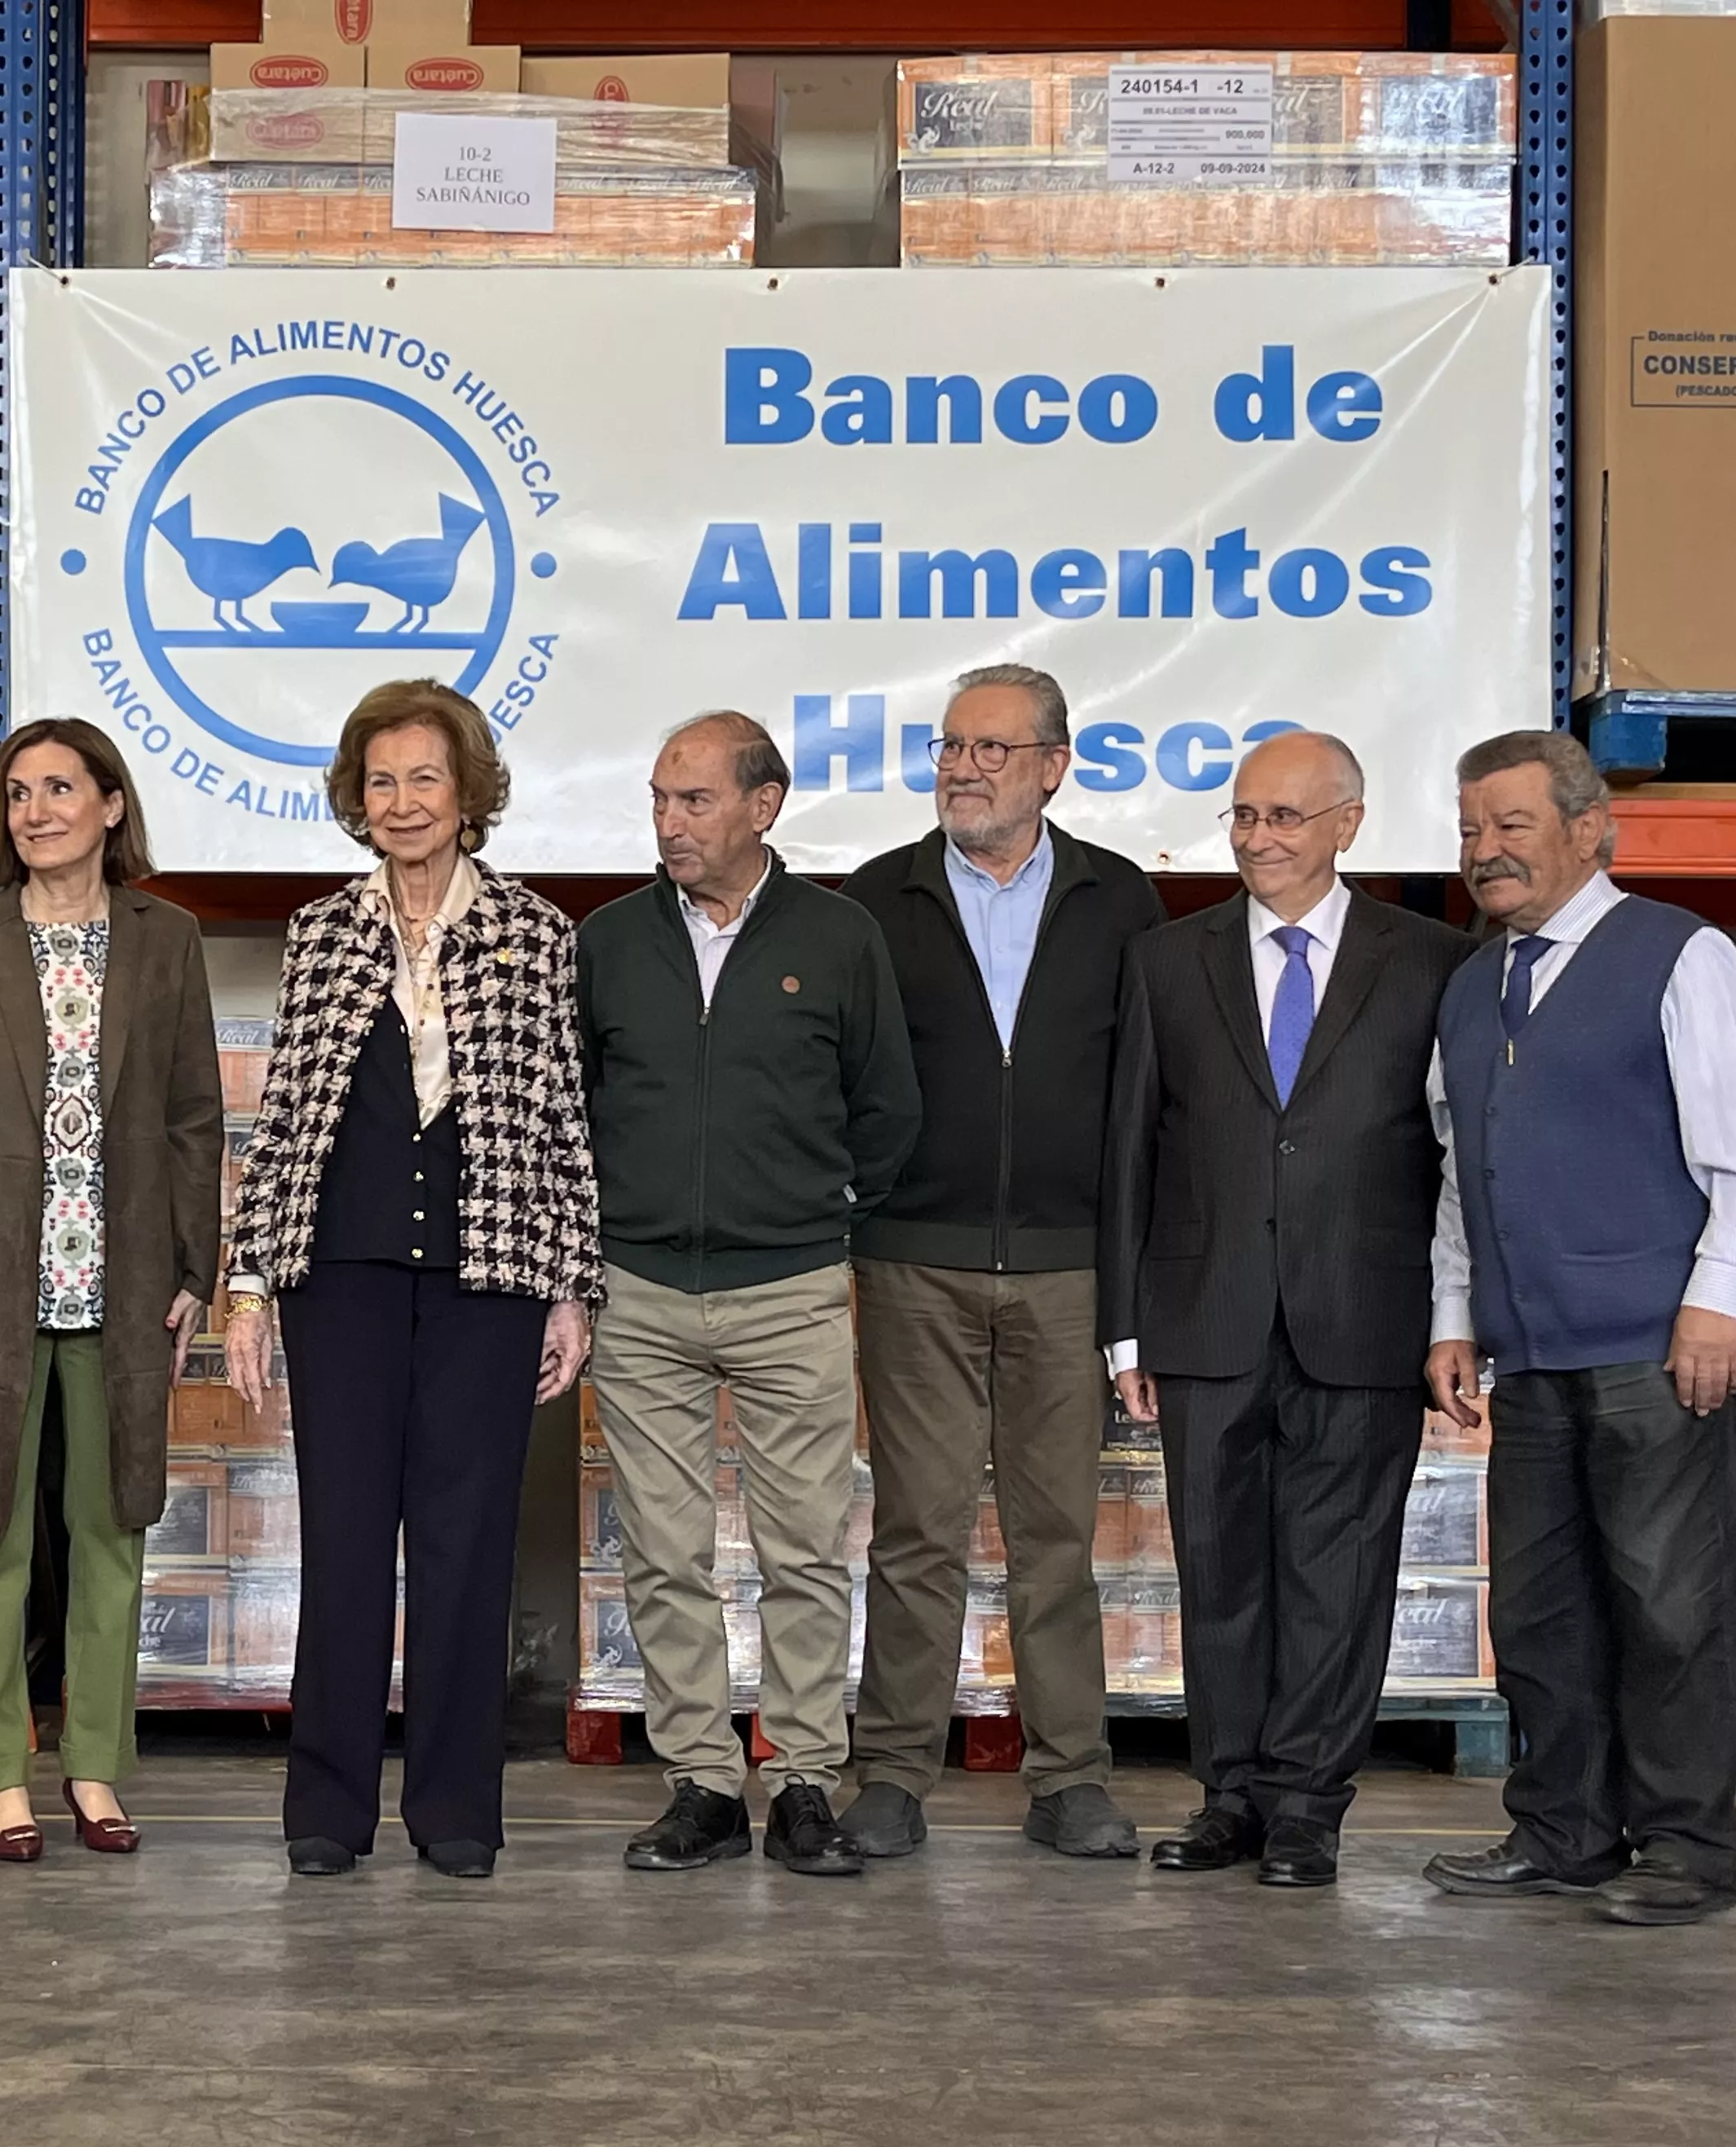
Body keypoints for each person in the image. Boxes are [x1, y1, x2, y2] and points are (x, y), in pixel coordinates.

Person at [1421, 730, 1736, 1927]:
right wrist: (1452, 1318)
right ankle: (1564, 1833)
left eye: (1512, 826)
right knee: (1540, 1609)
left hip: (1656, 1344)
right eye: (1472, 829)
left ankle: (1689, 1850)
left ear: (1592, 830)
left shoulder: (1682, 956)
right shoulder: (1470, 986)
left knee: (1673, 1605)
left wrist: (1716, 1301)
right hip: (1529, 1355)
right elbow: (1456, 1175)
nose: (1486, 852)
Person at [225, 680, 597, 1880]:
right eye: (381, 782)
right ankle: (327, 1812)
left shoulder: (536, 933)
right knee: (340, 1540)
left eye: (424, 779)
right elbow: (284, 1120)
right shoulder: (322, 932)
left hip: (490, 1279)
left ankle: (456, 1813)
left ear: (468, 791)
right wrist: (248, 1284)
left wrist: (571, 1288)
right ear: (357, 799)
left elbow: (563, 1126)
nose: (402, 803)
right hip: (342, 1279)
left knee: (466, 1544)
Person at [1099, 732, 1471, 1889]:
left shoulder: (1435, 962)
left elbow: (1457, 1155)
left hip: (1366, 1321)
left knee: (1341, 1574)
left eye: (1286, 819)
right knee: (1219, 1569)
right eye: (1245, 817)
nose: (1259, 838)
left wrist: (1458, 1315)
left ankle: (1309, 1804)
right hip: (1205, 1322)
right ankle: (1230, 1796)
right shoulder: (1169, 961)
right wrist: (1127, 1327)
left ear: (1349, 825)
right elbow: (1129, 1157)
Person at [582, 711, 920, 1880]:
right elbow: (576, 1109)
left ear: (763, 806)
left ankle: (805, 1783)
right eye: (660, 799)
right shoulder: (610, 942)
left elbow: (888, 1110)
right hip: (641, 1287)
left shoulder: (837, 938)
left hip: (790, 1285)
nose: (670, 823)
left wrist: (812, 1217)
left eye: (695, 801)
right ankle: (699, 1783)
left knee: (806, 1552)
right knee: (664, 1554)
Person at [839, 665, 1166, 1863]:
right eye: (950, 747)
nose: (963, 768)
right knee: (915, 1530)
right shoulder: (877, 899)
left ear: (1052, 767)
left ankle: (1070, 1778)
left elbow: (1147, 1097)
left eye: (990, 748)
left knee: (1054, 1539)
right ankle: (891, 1778)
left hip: (1070, 1267)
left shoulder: (1121, 902)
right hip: (913, 1263)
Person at [0, 718, 221, 1861]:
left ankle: (94, 1769)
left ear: (112, 805)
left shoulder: (165, 939)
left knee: (111, 1532)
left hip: (122, 1285)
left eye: (60, 789)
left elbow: (193, 1118)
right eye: (19, 793)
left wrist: (198, 1272)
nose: (35, 811)